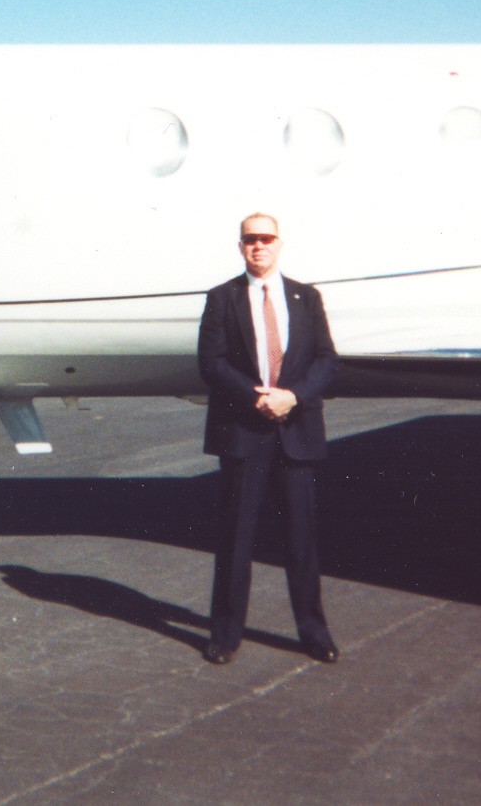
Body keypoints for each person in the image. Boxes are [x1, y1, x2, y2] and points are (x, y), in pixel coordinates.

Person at [197, 212, 341, 667]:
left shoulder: (306, 297)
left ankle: (314, 632)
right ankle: (225, 634)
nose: (258, 246)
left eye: (266, 239)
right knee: (237, 540)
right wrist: (258, 397)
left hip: (295, 430)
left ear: (280, 244)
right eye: (250, 240)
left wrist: (291, 397)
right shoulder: (222, 298)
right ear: (240, 247)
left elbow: (326, 360)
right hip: (244, 431)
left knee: (302, 540)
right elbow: (212, 362)